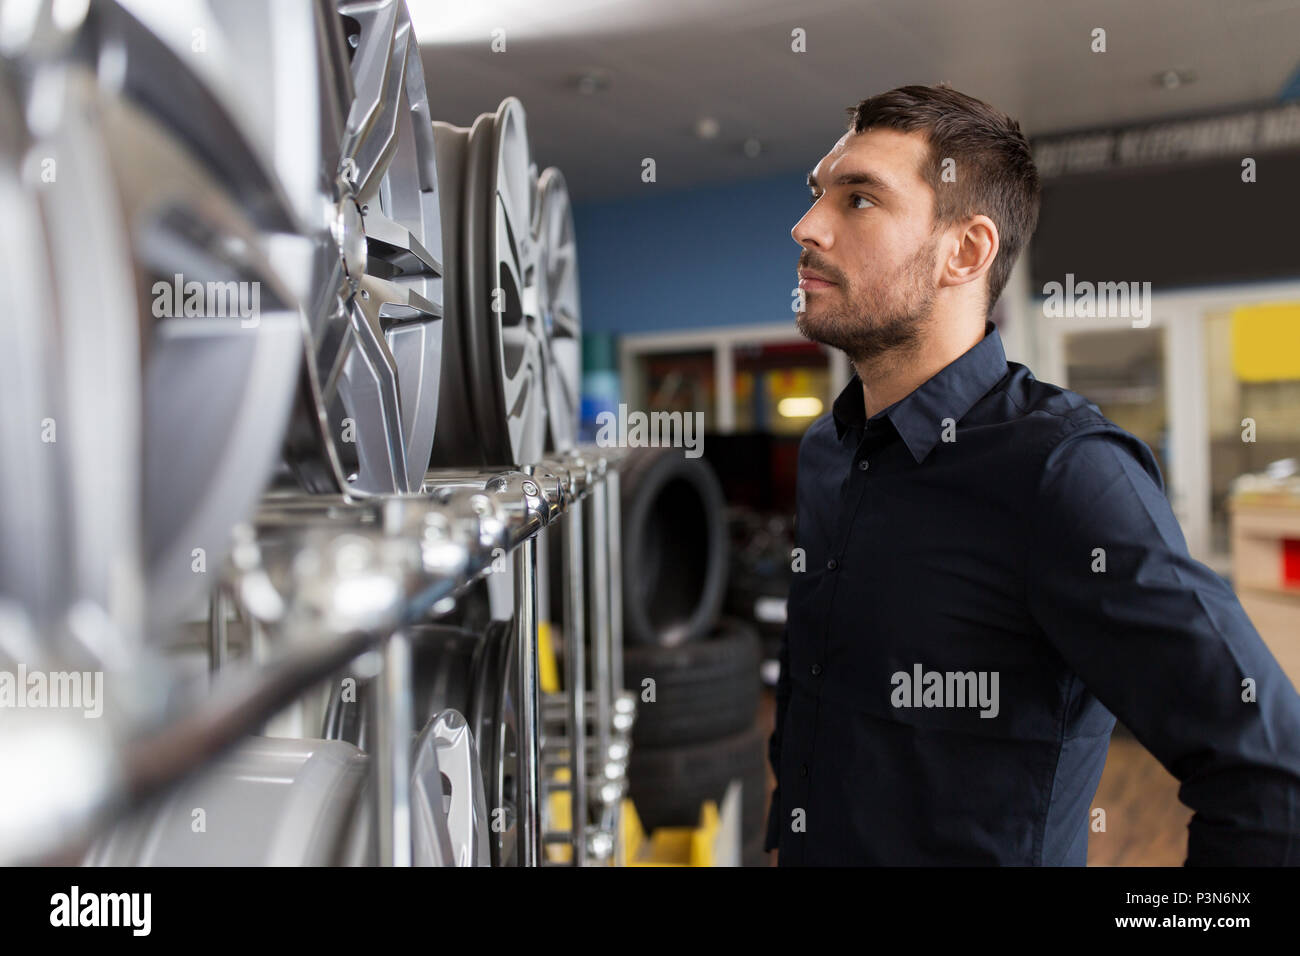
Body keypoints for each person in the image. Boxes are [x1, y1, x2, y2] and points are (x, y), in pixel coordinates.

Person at [768, 83, 1300, 865]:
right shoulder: (830, 448)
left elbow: (1274, 781)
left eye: (858, 200)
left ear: (967, 251)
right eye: (818, 195)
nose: (806, 226)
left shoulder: (1064, 470)